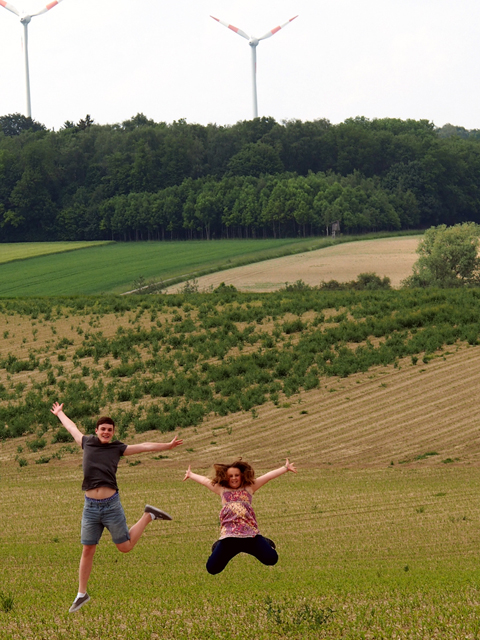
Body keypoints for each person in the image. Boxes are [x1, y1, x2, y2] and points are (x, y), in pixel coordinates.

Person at [50, 401, 183, 613]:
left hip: (111, 506)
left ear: (113, 433)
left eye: (109, 430)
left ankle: (148, 516)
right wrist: (60, 413)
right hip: (90, 507)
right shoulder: (87, 442)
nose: (106, 432)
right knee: (87, 549)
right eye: (102, 429)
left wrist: (167, 446)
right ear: (96, 430)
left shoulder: (118, 448)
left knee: (125, 547)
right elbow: (71, 427)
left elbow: (144, 446)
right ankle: (81, 594)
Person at [183, 457, 296, 574]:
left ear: (242, 475)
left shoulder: (249, 488)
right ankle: (218, 546)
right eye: (231, 476)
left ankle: (265, 542)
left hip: (250, 535)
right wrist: (191, 474)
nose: (234, 478)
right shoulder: (222, 490)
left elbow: (268, 476)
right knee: (212, 569)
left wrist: (285, 468)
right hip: (229, 537)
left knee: (272, 559)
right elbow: (204, 481)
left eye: (236, 475)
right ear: (226, 477)